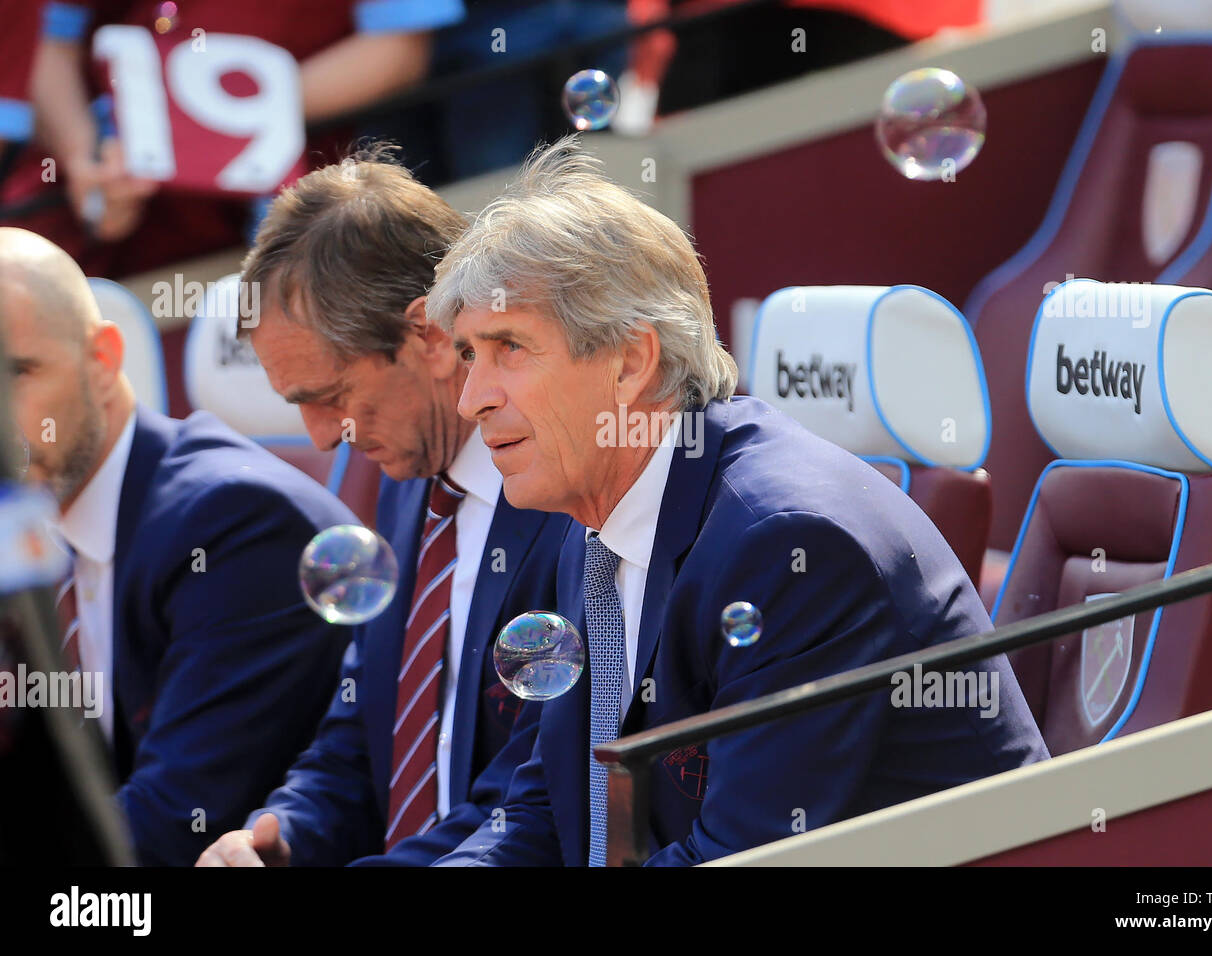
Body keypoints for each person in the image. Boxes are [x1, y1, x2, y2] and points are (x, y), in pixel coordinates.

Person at [428, 136, 1049, 866]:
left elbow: (742, 855)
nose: (472, 400)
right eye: (469, 355)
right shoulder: (594, 521)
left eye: (508, 348)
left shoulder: (789, 547)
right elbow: (550, 802)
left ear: (631, 361)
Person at [196, 151, 568, 867]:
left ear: (427, 337)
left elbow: (534, 795)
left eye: (330, 396)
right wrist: (281, 833)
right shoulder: (408, 475)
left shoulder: (570, 496)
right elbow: (361, 727)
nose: (320, 436)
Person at [0, 226, 357, 865]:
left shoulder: (236, 524)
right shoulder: (23, 534)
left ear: (103, 359)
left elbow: (168, 829)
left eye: (16, 374)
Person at [5, 0, 465, 277]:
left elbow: (400, 45)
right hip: (101, 229)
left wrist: (224, 117)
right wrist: (86, 158)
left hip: (301, 225)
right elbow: (48, 37)